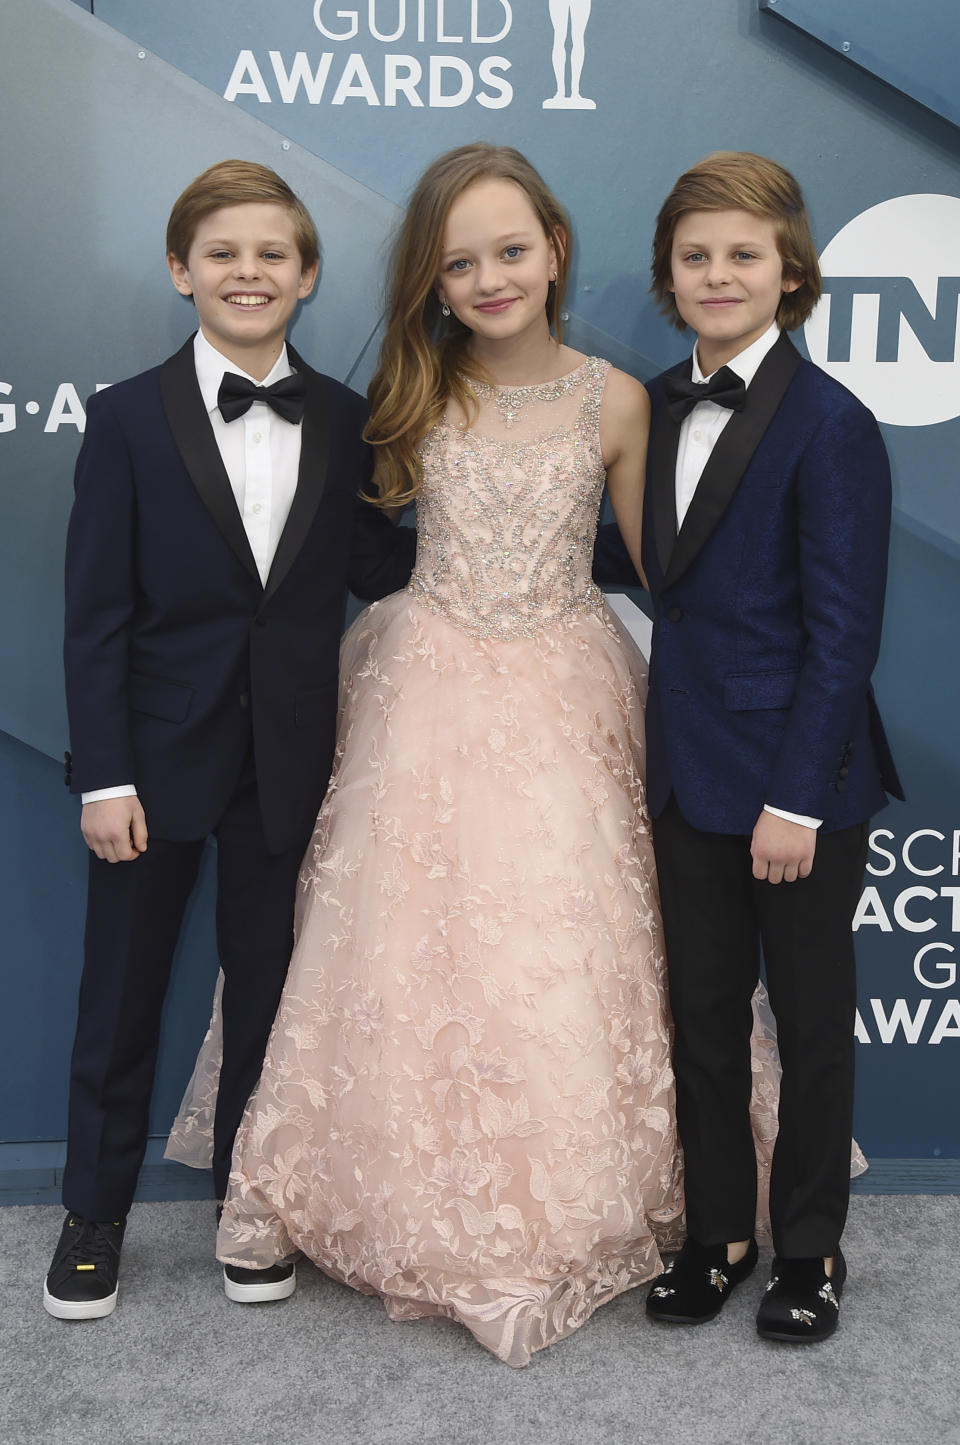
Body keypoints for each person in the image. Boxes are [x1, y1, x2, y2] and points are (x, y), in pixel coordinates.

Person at [169, 142, 782, 1367]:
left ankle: (586, 1195)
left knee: (572, 941)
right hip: (424, 687)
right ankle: (363, 1190)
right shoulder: (408, 392)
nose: (491, 277)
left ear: (555, 247)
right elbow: (332, 546)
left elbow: (670, 569)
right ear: (433, 285)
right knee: (395, 941)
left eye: (512, 249)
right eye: (461, 262)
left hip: (568, 686)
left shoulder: (620, 399)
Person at [43, 159, 415, 1321]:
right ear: (180, 269)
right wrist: (104, 773)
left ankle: (248, 1210)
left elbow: (376, 567)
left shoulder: (348, 419)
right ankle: (93, 1213)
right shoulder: (124, 418)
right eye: (222, 252)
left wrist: (525, 545)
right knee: (122, 992)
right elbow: (95, 615)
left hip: (293, 761)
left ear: (306, 277)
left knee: (267, 990)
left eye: (271, 255)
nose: (247, 271)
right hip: (150, 765)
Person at [630, 152, 903, 1342]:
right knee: (698, 1014)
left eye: (743, 254)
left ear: (791, 273)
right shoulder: (642, 405)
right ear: (668, 274)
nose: (718, 273)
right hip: (687, 771)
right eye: (696, 255)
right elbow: (643, 569)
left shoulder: (832, 423)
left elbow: (844, 637)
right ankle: (718, 1232)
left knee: (808, 1020)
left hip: (803, 786)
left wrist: (795, 798)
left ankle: (809, 1246)